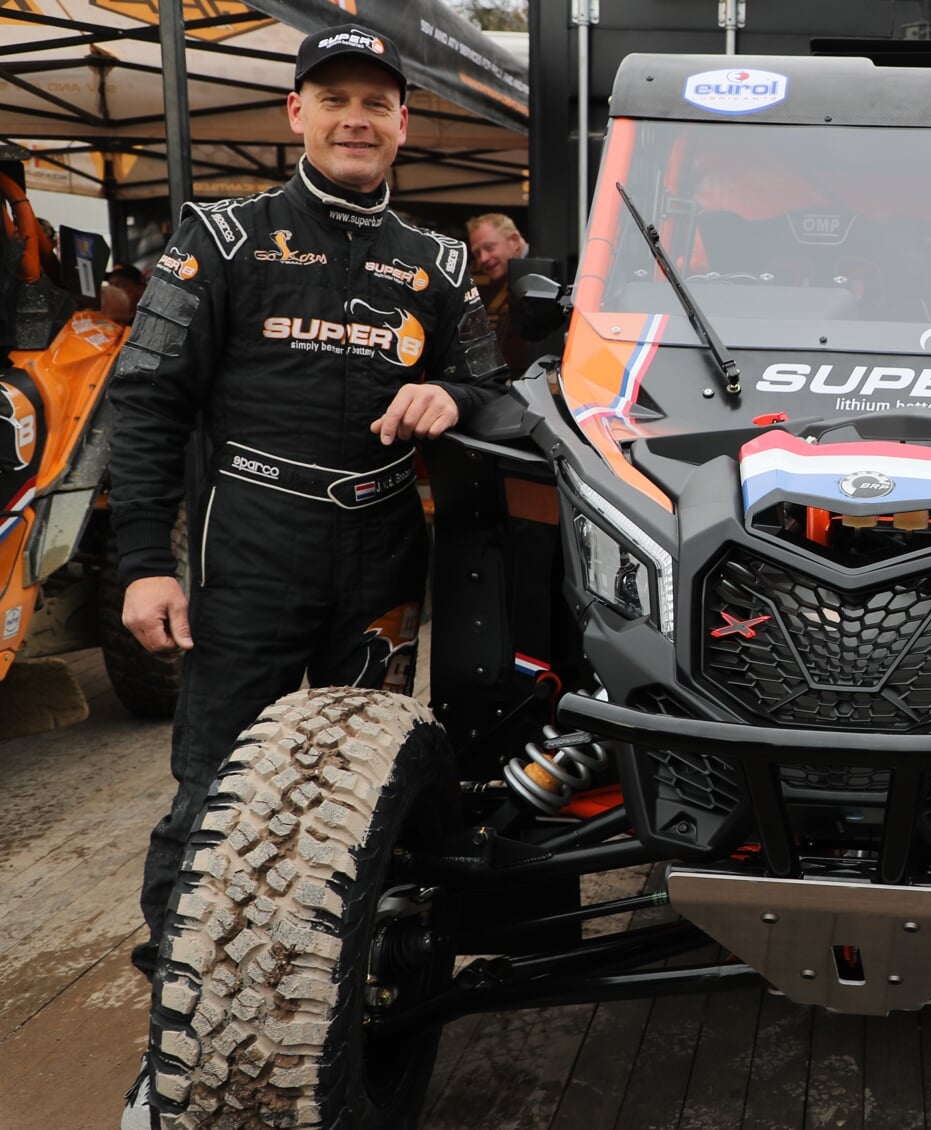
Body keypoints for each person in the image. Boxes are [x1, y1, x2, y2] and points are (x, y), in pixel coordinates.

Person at [111, 23, 505, 1125]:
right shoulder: (221, 238)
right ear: (296, 114)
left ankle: (336, 1023)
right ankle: (177, 1049)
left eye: (376, 103)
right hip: (252, 550)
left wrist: (456, 401)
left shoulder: (439, 263)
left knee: (357, 802)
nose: (355, 118)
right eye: (333, 98)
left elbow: (505, 396)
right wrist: (144, 562)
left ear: (403, 127)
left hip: (383, 554)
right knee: (214, 801)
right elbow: (145, 404)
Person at [468, 211, 533, 371]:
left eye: (489, 248)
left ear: (515, 241)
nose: (482, 259)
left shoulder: (538, 276)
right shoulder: (512, 279)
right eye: (477, 253)